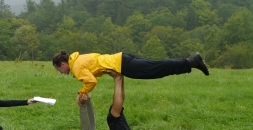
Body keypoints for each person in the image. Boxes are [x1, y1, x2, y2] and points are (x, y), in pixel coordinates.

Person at [52, 51, 209, 106]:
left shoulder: (76, 67)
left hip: (122, 65)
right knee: (156, 67)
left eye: (59, 69)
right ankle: (190, 62)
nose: (61, 72)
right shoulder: (78, 59)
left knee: (156, 69)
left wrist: (81, 92)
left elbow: (91, 81)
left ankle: (190, 62)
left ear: (63, 63)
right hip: (122, 58)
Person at [59, 70, 136, 130]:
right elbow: (85, 129)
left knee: (116, 112)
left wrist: (88, 102)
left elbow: (91, 123)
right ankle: (118, 78)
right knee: (114, 116)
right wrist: (82, 106)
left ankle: (120, 78)